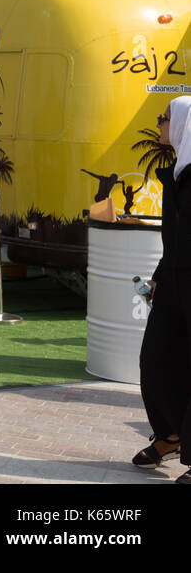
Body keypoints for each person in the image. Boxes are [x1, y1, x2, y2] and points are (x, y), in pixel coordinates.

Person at [133, 97, 191, 484]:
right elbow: (175, 239)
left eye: (164, 119)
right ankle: (170, 435)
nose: (159, 124)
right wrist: (159, 272)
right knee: (156, 358)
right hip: (173, 279)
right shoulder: (176, 173)